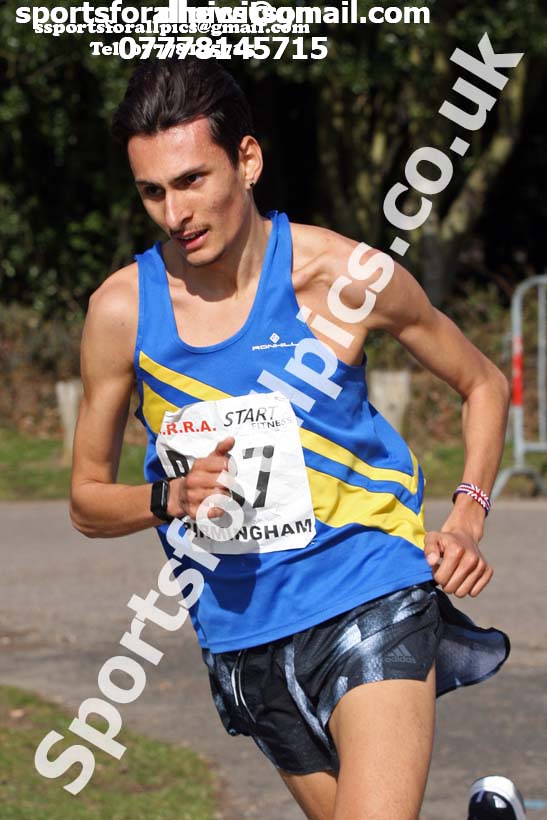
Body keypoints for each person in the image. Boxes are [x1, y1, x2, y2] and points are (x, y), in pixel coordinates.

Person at [70, 57, 512, 820]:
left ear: (246, 160)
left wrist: (467, 510)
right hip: (242, 631)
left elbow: (483, 383)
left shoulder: (342, 275)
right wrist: (167, 496)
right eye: (153, 191)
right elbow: (85, 499)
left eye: (192, 180)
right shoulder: (121, 311)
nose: (175, 213)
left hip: (369, 587)